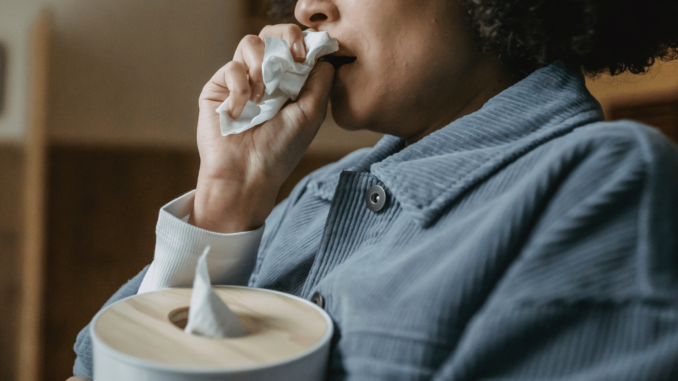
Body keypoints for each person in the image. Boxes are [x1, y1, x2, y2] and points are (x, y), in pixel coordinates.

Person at [68, 0, 678, 379]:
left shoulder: (603, 186)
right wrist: (228, 195)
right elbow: (93, 370)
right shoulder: (311, 196)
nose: (307, 8)